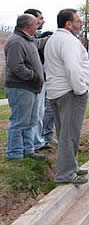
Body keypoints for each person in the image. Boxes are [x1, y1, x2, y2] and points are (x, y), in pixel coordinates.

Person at [45, 8, 89, 184]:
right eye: (78, 21)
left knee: (65, 132)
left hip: (56, 92)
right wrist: (81, 89)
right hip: (70, 93)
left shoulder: (53, 39)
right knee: (69, 134)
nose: (80, 24)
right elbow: (73, 67)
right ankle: (65, 174)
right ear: (69, 23)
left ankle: (71, 167)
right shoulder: (68, 41)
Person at [4, 14, 49, 160]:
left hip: (31, 87)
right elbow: (16, 66)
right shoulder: (16, 41)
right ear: (28, 26)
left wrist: (55, 37)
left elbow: (39, 43)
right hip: (21, 87)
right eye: (36, 23)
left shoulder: (28, 40)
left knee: (31, 120)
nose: (39, 25)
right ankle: (15, 153)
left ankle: (28, 150)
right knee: (19, 121)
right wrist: (34, 77)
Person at [24, 9, 55, 152]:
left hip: (40, 80)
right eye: (40, 18)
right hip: (31, 82)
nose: (42, 21)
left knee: (40, 112)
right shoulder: (23, 39)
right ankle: (28, 145)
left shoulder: (33, 38)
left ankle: (37, 141)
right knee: (30, 115)